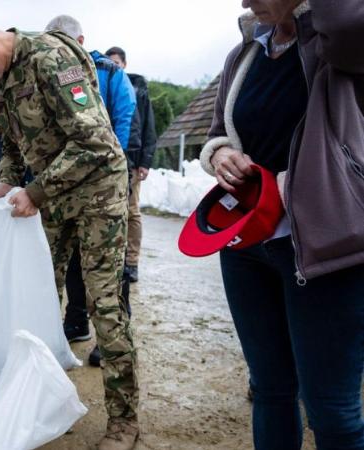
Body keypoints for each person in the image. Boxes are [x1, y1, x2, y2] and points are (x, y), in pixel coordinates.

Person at [0, 12, 139, 449]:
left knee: (104, 303)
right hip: (53, 196)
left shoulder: (51, 57)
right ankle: (39, 400)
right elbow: (10, 145)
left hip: (98, 191)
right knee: (38, 296)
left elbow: (96, 143)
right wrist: (9, 179)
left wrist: (36, 190)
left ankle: (124, 420)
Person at [199, 1, 364, 448]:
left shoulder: (333, 42)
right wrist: (220, 155)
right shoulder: (245, 53)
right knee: (270, 390)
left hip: (325, 249)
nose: (244, 3)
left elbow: (349, 19)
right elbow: (217, 130)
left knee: (332, 408)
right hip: (247, 245)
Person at [44, 15, 138, 352]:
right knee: (70, 254)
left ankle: (109, 338)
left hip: (104, 179)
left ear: (79, 42)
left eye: (61, 42)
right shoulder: (50, 73)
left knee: (108, 260)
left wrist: (115, 169)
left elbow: (124, 119)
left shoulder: (110, 73)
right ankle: (76, 319)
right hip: (68, 180)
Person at [105, 46, 158, 285]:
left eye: (117, 62)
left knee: (132, 211)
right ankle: (112, 261)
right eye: (109, 62)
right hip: (109, 160)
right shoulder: (104, 86)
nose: (113, 66)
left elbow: (149, 129)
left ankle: (132, 262)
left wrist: (145, 162)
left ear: (124, 64)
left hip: (133, 161)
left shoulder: (139, 91)